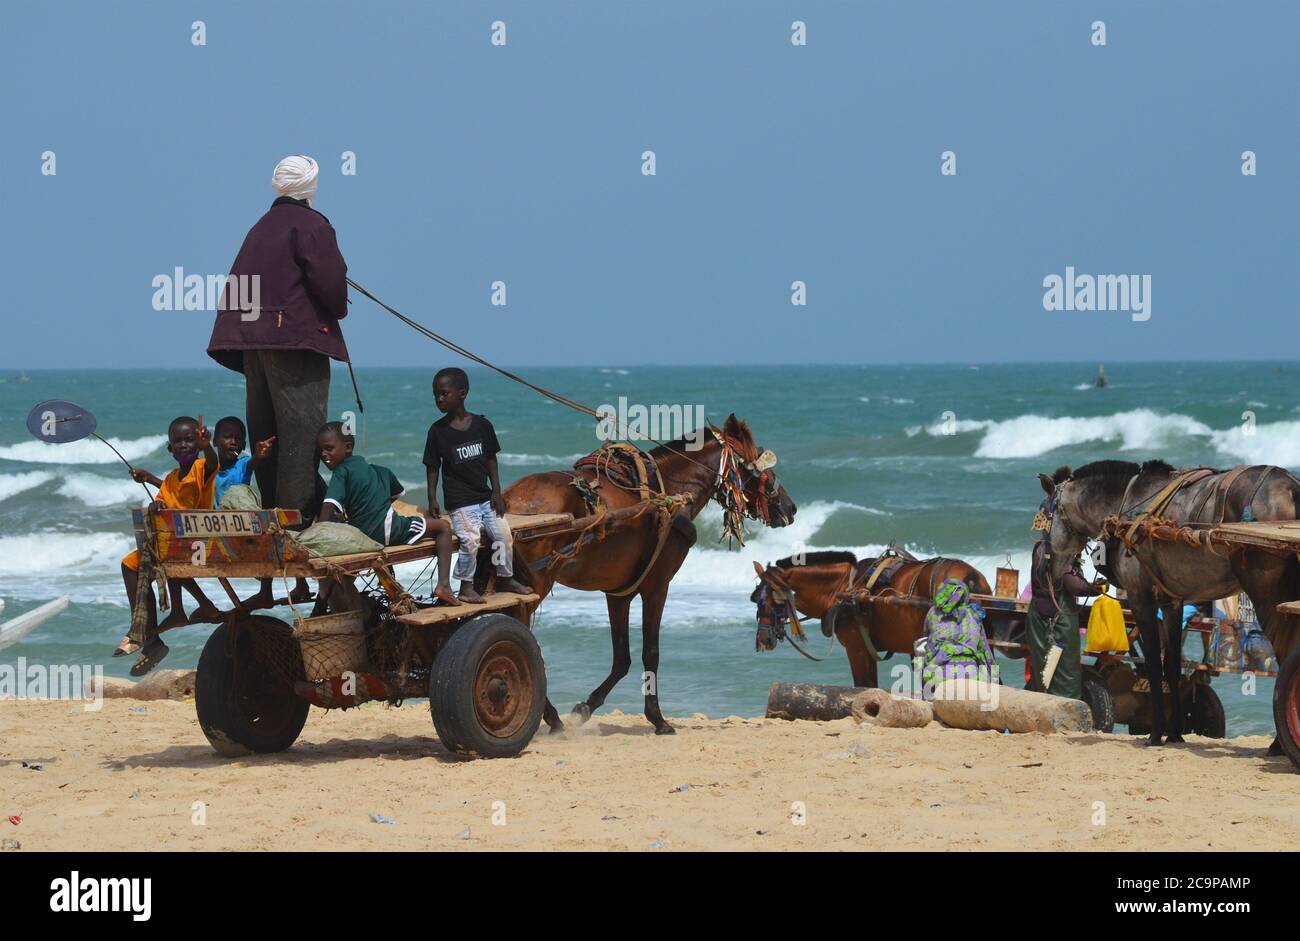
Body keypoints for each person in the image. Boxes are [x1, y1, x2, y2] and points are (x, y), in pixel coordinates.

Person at [206, 155, 349, 525]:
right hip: (296, 345)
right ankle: (296, 528)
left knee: (265, 440)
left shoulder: (259, 228)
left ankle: (268, 524)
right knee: (301, 441)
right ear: (311, 186)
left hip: (254, 347)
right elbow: (333, 289)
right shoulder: (313, 225)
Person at [115, 415, 223, 675]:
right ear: (169, 447)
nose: (183, 445)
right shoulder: (172, 477)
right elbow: (164, 497)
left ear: (197, 444)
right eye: (177, 441)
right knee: (130, 564)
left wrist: (208, 446)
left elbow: (212, 463)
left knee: (166, 553)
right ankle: (147, 632)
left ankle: (177, 616)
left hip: (199, 541)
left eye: (189, 440)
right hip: (175, 543)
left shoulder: (201, 468)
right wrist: (155, 500)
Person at [315, 422, 461, 605]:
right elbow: (394, 495)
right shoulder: (381, 471)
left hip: (362, 536)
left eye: (328, 449)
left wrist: (320, 531)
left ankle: (323, 606)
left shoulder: (341, 472)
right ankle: (444, 585)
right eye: (321, 451)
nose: (323, 455)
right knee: (443, 527)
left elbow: (329, 504)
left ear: (348, 447)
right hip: (389, 532)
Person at [423, 367, 530, 602]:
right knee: (470, 540)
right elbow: (433, 467)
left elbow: (491, 459)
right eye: (436, 395)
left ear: (462, 393)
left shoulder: (482, 425)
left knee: (503, 535)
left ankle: (505, 577)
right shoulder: (437, 432)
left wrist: (496, 492)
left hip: (484, 497)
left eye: (444, 393)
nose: (439, 399)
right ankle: (465, 586)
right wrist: (432, 498)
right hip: (460, 502)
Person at [212, 415, 312, 608]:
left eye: (238, 438)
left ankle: (295, 586)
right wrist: (151, 480)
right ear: (216, 441)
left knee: (269, 531)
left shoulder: (242, 464)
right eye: (227, 437)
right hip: (221, 528)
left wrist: (259, 455)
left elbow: (253, 462)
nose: (233, 441)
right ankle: (291, 587)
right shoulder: (208, 470)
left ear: (242, 446)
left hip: (242, 524)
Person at [1027, 537, 1102, 699]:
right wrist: (1095, 588)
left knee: (1042, 671)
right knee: (1066, 673)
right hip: (1059, 620)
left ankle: (1043, 706)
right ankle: (1066, 708)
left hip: (1038, 616)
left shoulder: (1041, 546)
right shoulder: (1061, 549)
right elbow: (1073, 585)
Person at [920, 578, 998, 690]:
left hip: (940, 677)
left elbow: (928, 641)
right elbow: (985, 649)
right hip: (973, 677)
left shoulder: (933, 613)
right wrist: (994, 677)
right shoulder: (974, 614)